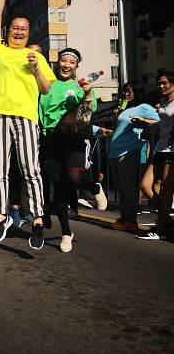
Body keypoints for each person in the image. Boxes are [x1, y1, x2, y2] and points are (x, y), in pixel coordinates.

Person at [0, 0, 56, 250]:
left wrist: (37, 67)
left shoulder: (35, 56)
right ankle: (1, 216)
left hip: (26, 118)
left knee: (30, 169)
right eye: (14, 28)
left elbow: (46, 88)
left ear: (29, 33)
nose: (18, 31)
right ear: (8, 31)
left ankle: (37, 219)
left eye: (23, 29)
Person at [38, 48, 105, 252]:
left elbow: (90, 111)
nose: (66, 65)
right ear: (57, 63)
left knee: (75, 178)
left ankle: (94, 188)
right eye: (63, 61)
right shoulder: (48, 85)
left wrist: (87, 94)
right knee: (59, 188)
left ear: (76, 66)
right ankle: (66, 233)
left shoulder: (81, 86)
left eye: (71, 62)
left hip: (73, 137)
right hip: (51, 138)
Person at [109, 81, 158, 231]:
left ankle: (131, 219)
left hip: (128, 151)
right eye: (125, 91)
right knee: (120, 187)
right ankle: (124, 217)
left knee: (128, 187)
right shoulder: (126, 108)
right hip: (115, 151)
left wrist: (143, 121)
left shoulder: (144, 107)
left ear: (137, 91)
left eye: (129, 90)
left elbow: (158, 121)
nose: (126, 93)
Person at [139, 72, 174, 240]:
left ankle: (159, 230)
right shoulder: (163, 101)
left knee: (166, 190)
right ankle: (167, 220)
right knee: (145, 185)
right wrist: (151, 127)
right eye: (159, 83)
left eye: (164, 83)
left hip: (172, 150)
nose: (161, 86)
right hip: (161, 148)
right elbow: (164, 122)